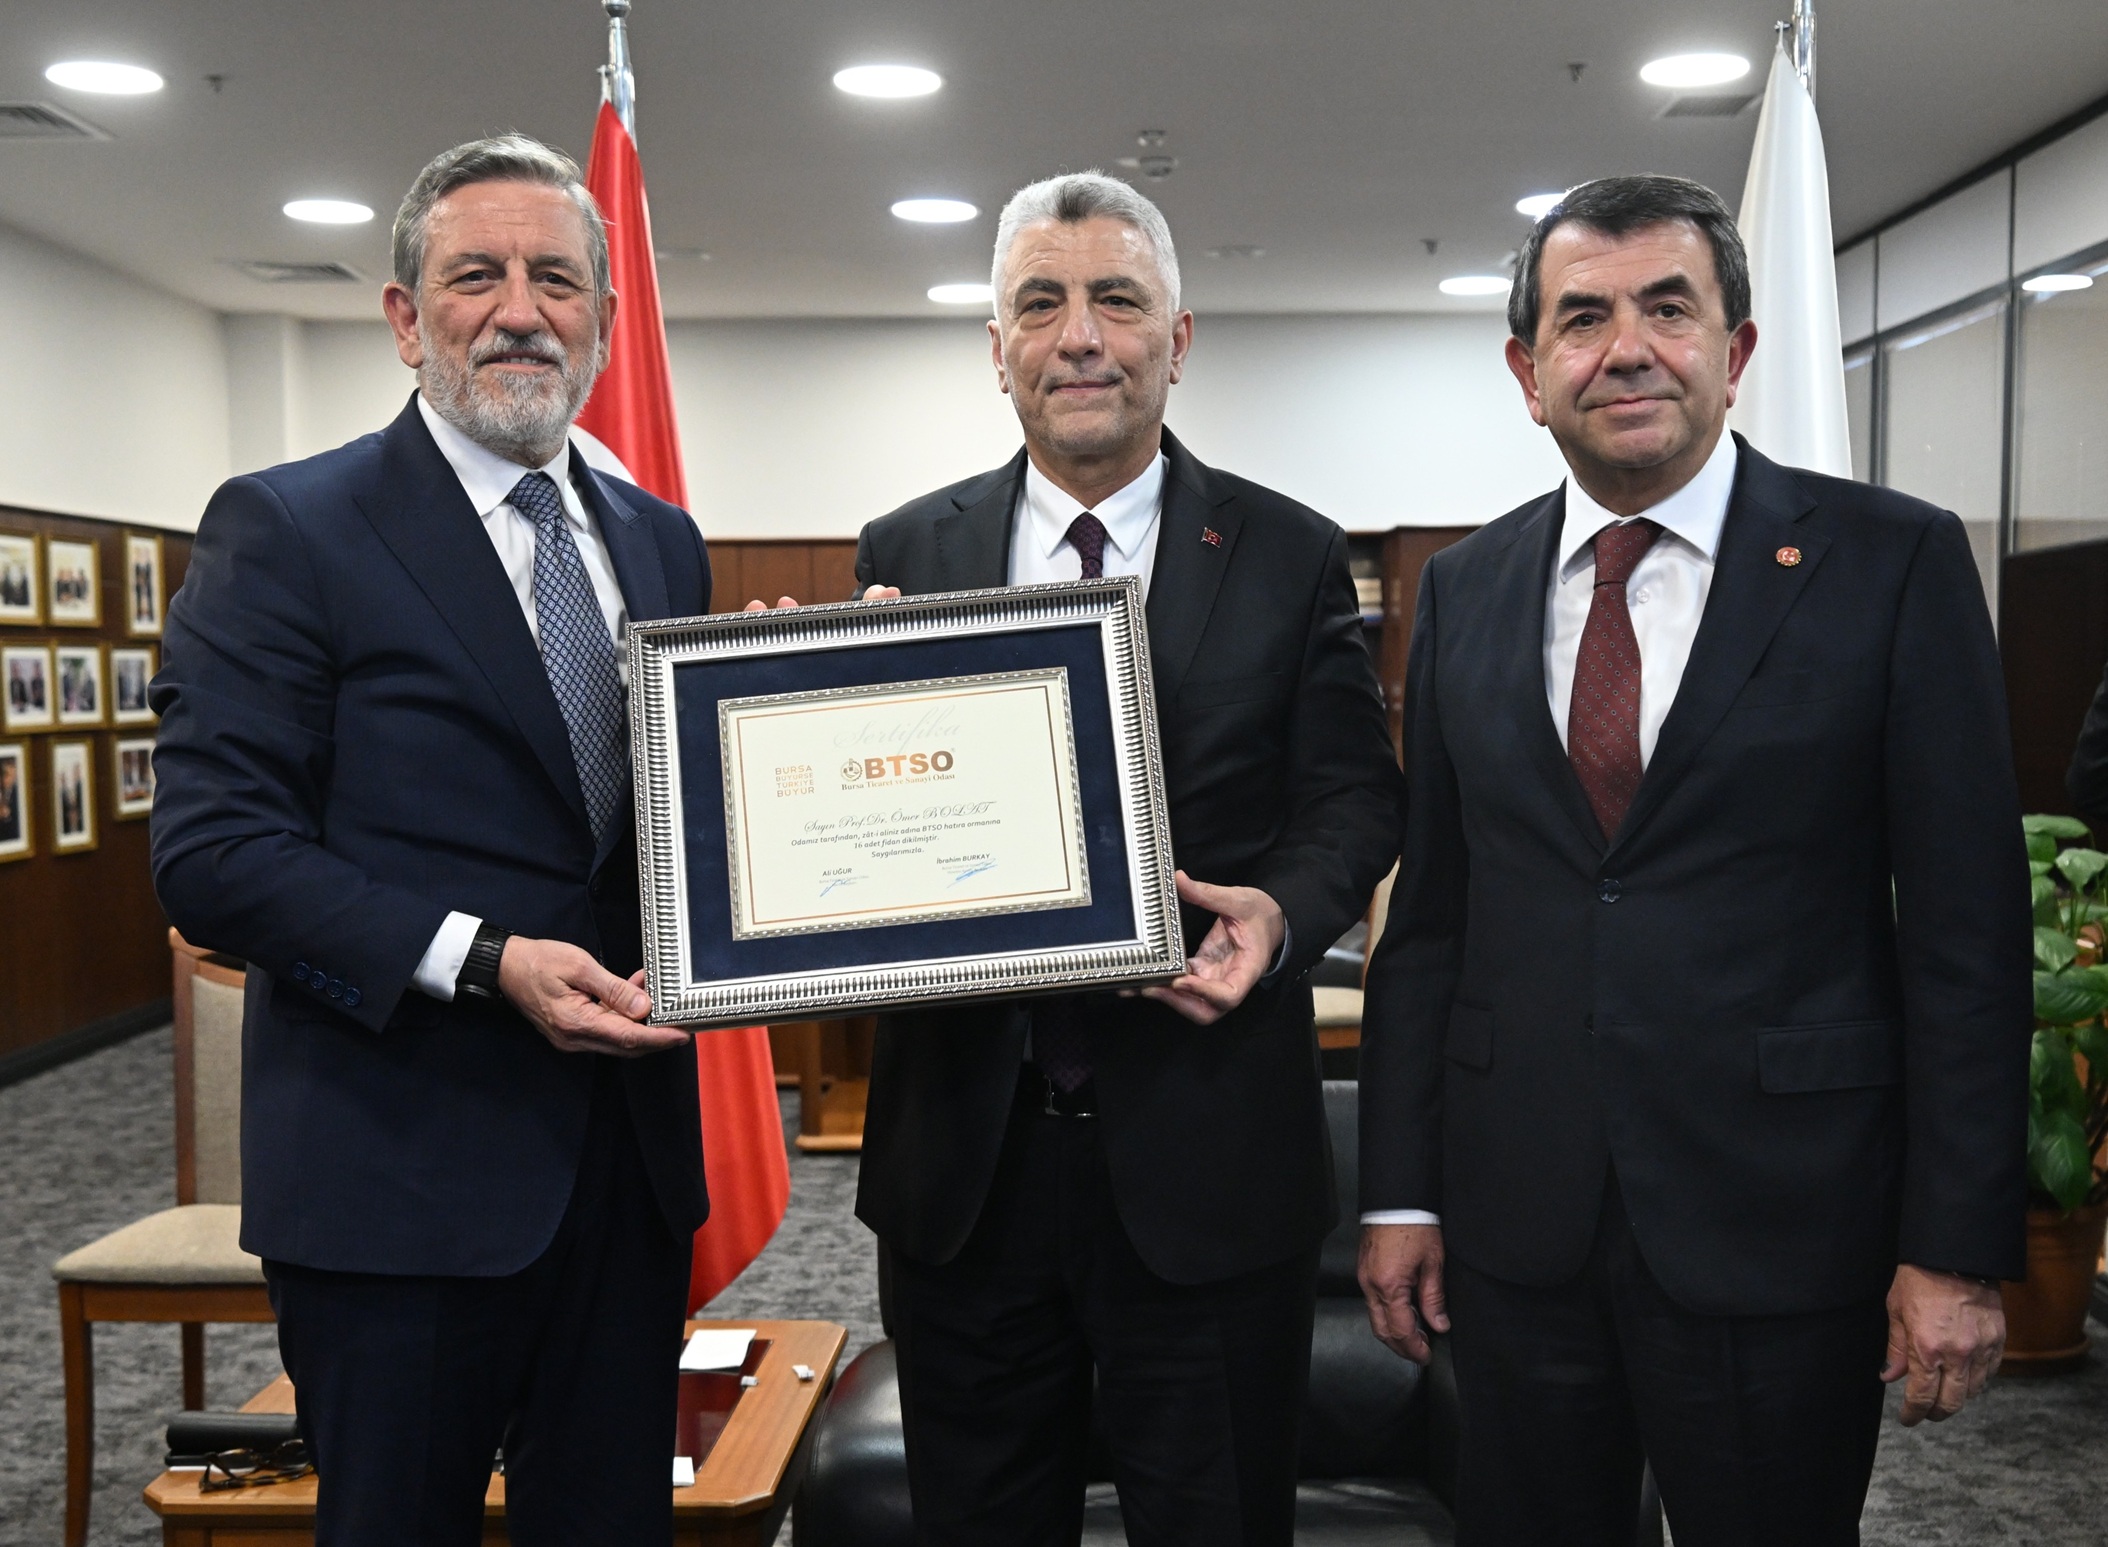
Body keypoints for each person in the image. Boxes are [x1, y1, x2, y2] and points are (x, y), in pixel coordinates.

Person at [1356, 174, 2031, 1545]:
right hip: (1519, 1225)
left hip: (1784, 1219)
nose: (1627, 350)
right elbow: (1432, 924)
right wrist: (1402, 1195)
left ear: (1737, 349)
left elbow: (1968, 932)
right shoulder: (1467, 590)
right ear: (1527, 372)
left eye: (1669, 309)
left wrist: (1954, 1246)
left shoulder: (1890, 561)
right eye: (1582, 318)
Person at [819, 173, 1401, 1546]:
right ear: (999, 349)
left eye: (1117, 301)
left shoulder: (1289, 552)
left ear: (1176, 339)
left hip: (1211, 1165)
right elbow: (865, 814)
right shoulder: (907, 552)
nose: (1079, 335)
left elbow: (1354, 801)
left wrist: (1281, 914)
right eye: (1041, 304)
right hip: (966, 1173)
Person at [151, 135, 710, 1547]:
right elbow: (214, 855)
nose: (522, 311)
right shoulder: (290, 526)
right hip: (395, 1186)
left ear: (605, 319)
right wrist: (482, 959)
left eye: (556, 279)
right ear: (407, 317)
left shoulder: (662, 542)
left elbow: (668, 830)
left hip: (626, 1177)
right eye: (477, 277)